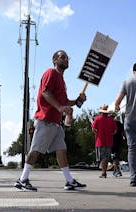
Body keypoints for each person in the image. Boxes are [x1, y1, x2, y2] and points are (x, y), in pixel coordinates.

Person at [14, 50, 87, 192]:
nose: (66, 59)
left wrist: (79, 100)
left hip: (55, 122)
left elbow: (65, 101)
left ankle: (69, 181)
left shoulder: (62, 80)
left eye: (67, 57)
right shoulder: (51, 73)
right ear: (55, 60)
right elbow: (45, 92)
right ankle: (22, 180)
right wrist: (60, 107)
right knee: (36, 149)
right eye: (63, 57)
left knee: (61, 150)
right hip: (45, 119)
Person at [91, 105, 117, 178]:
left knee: (102, 158)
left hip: (100, 141)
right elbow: (115, 131)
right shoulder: (111, 120)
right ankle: (104, 172)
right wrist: (110, 134)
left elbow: (93, 129)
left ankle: (103, 173)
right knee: (106, 157)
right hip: (109, 141)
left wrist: (98, 133)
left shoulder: (97, 119)